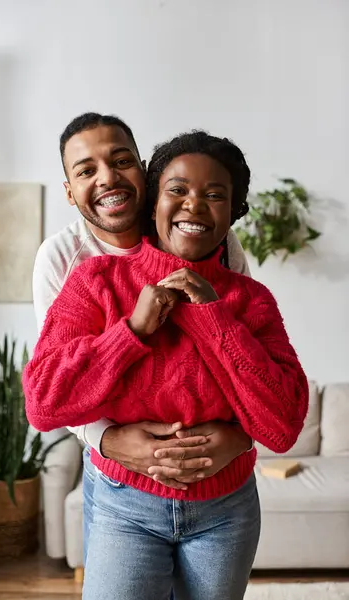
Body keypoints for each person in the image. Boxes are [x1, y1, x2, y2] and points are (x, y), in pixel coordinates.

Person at [24, 130, 309, 599]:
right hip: (125, 506)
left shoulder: (250, 300)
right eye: (177, 190)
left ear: (233, 212)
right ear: (152, 202)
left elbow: (282, 426)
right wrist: (131, 331)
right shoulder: (93, 278)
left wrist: (214, 318)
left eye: (214, 195)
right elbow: (43, 404)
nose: (194, 205)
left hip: (226, 509)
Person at [33, 113, 253, 565]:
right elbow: (57, 387)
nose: (108, 178)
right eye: (86, 170)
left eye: (121, 161)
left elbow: (245, 350)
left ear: (145, 169)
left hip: (219, 486)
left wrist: (241, 435)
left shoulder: (208, 237)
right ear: (69, 192)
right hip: (121, 481)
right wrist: (109, 442)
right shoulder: (64, 259)